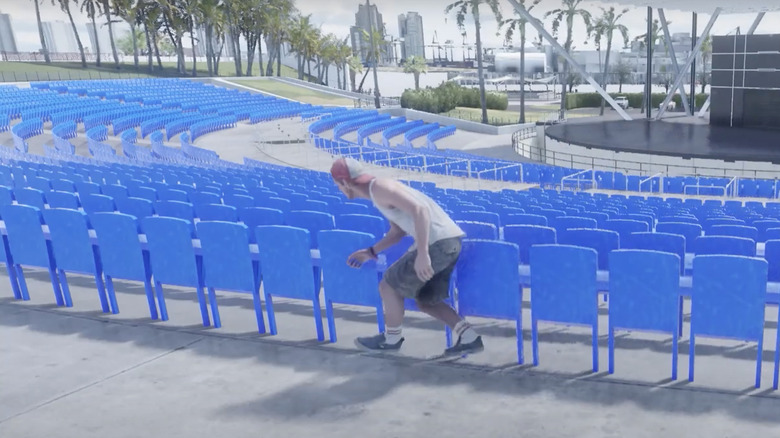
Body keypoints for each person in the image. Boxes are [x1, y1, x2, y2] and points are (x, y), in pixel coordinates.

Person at [330, 157, 483, 356]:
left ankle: (391, 340)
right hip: (449, 242)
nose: (338, 190)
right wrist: (371, 252)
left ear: (344, 182)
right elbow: (398, 232)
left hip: (437, 244)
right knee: (426, 300)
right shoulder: (378, 194)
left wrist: (422, 253)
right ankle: (470, 337)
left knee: (388, 285)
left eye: (337, 185)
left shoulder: (380, 188)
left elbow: (420, 210)